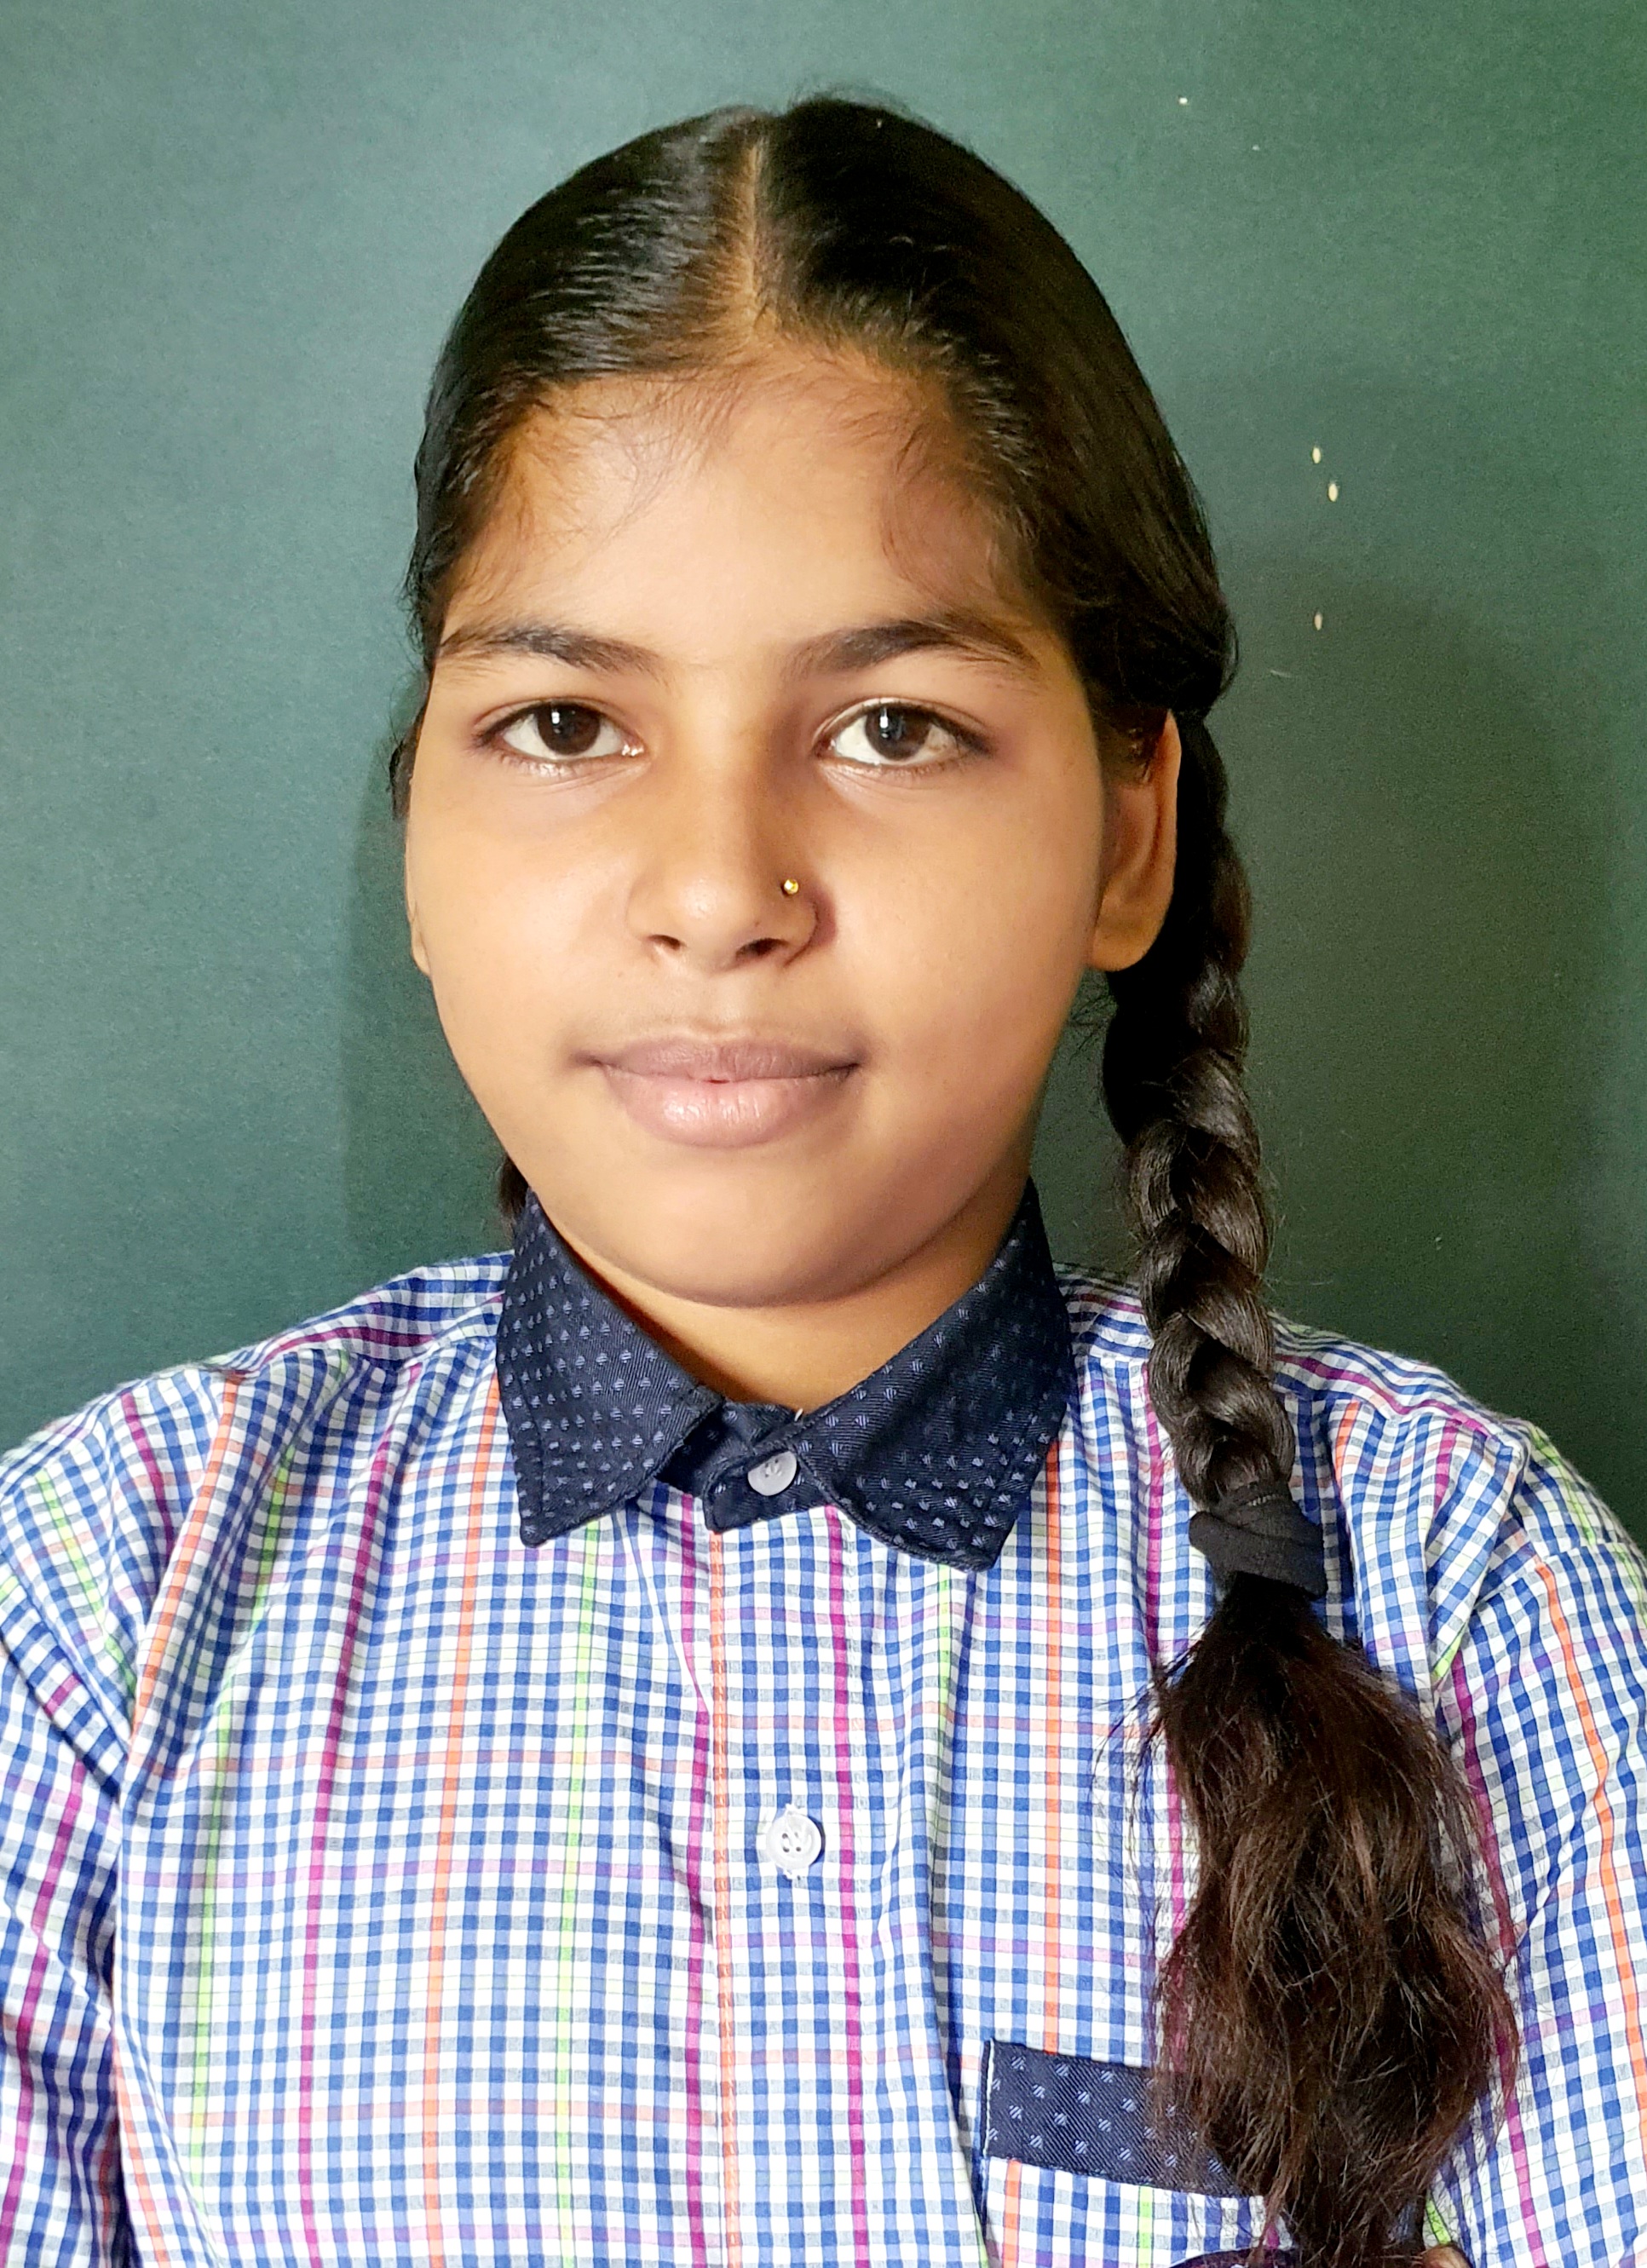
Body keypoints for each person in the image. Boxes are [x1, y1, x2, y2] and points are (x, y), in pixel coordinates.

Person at [1, 97, 1642, 2268]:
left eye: (891, 727)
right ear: (418, 827)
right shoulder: (99, 1606)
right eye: (566, 725)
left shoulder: (1463, 1595)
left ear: (1127, 836)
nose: (715, 890)